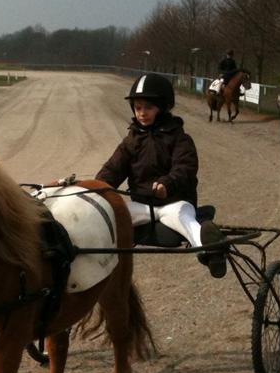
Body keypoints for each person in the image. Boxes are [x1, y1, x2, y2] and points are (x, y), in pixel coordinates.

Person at [95, 74, 227, 277]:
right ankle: (96, 260)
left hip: (174, 203)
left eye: (148, 107)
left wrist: (167, 184)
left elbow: (185, 168)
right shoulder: (131, 140)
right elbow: (113, 168)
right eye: (138, 108)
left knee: (185, 219)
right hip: (142, 205)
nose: (142, 113)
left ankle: (210, 248)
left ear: (162, 107)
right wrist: (95, 187)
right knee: (108, 216)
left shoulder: (180, 138)